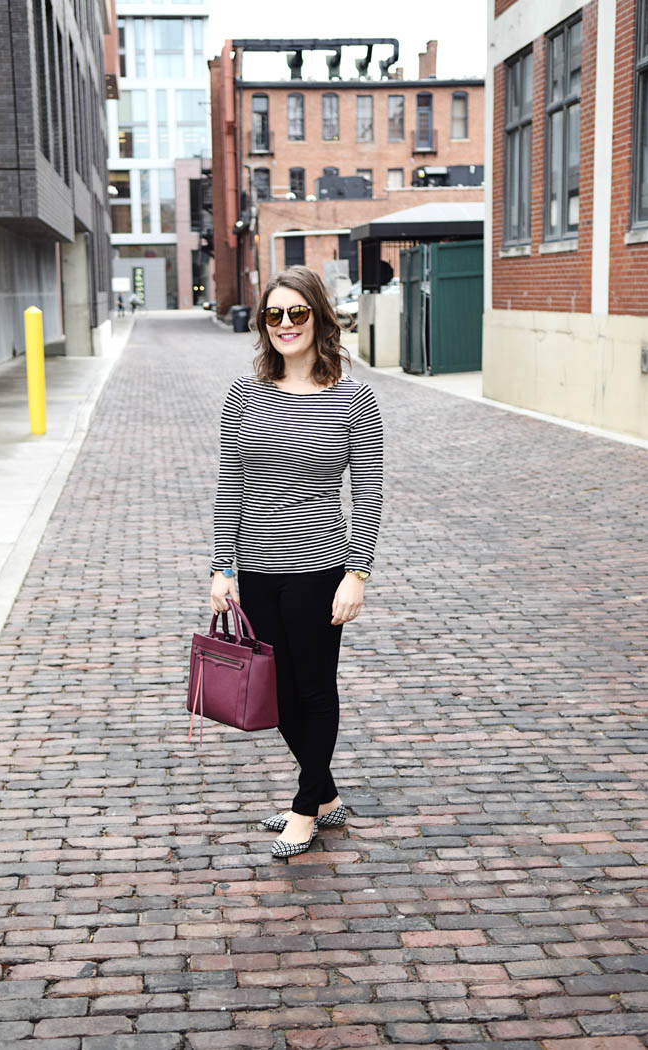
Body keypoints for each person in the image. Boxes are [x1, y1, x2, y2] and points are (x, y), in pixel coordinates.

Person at [210, 266, 383, 858]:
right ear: (263, 324)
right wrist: (222, 567)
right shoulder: (245, 393)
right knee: (276, 694)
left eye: (297, 313)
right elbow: (232, 483)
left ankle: (306, 810)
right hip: (257, 572)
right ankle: (327, 793)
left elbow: (367, 492)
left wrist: (356, 574)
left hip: (318, 571)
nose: (285, 325)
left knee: (313, 691)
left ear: (319, 317)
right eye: (273, 315)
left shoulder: (353, 397)